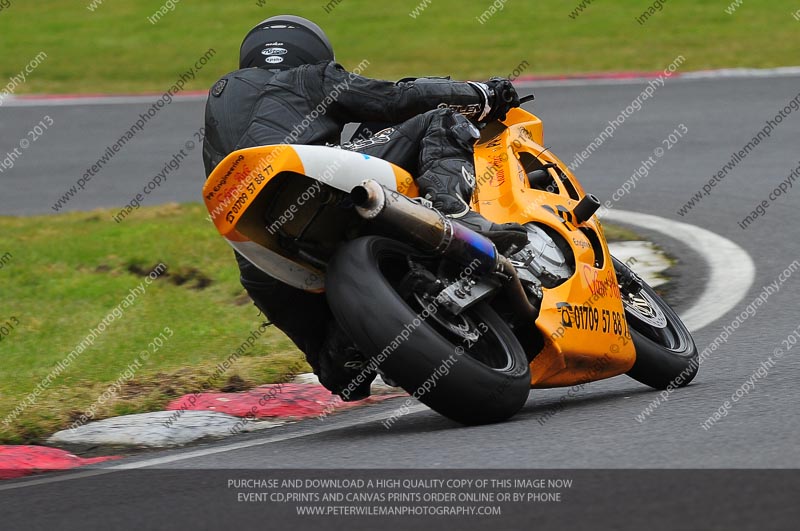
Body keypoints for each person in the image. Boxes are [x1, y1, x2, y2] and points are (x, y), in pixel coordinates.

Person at [202, 14, 525, 401]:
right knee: (441, 120)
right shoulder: (309, 77)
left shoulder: (218, 99)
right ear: (311, 52)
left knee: (342, 377)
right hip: (314, 186)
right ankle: (454, 216)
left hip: (260, 252)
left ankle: (352, 345)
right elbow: (397, 99)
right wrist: (482, 94)